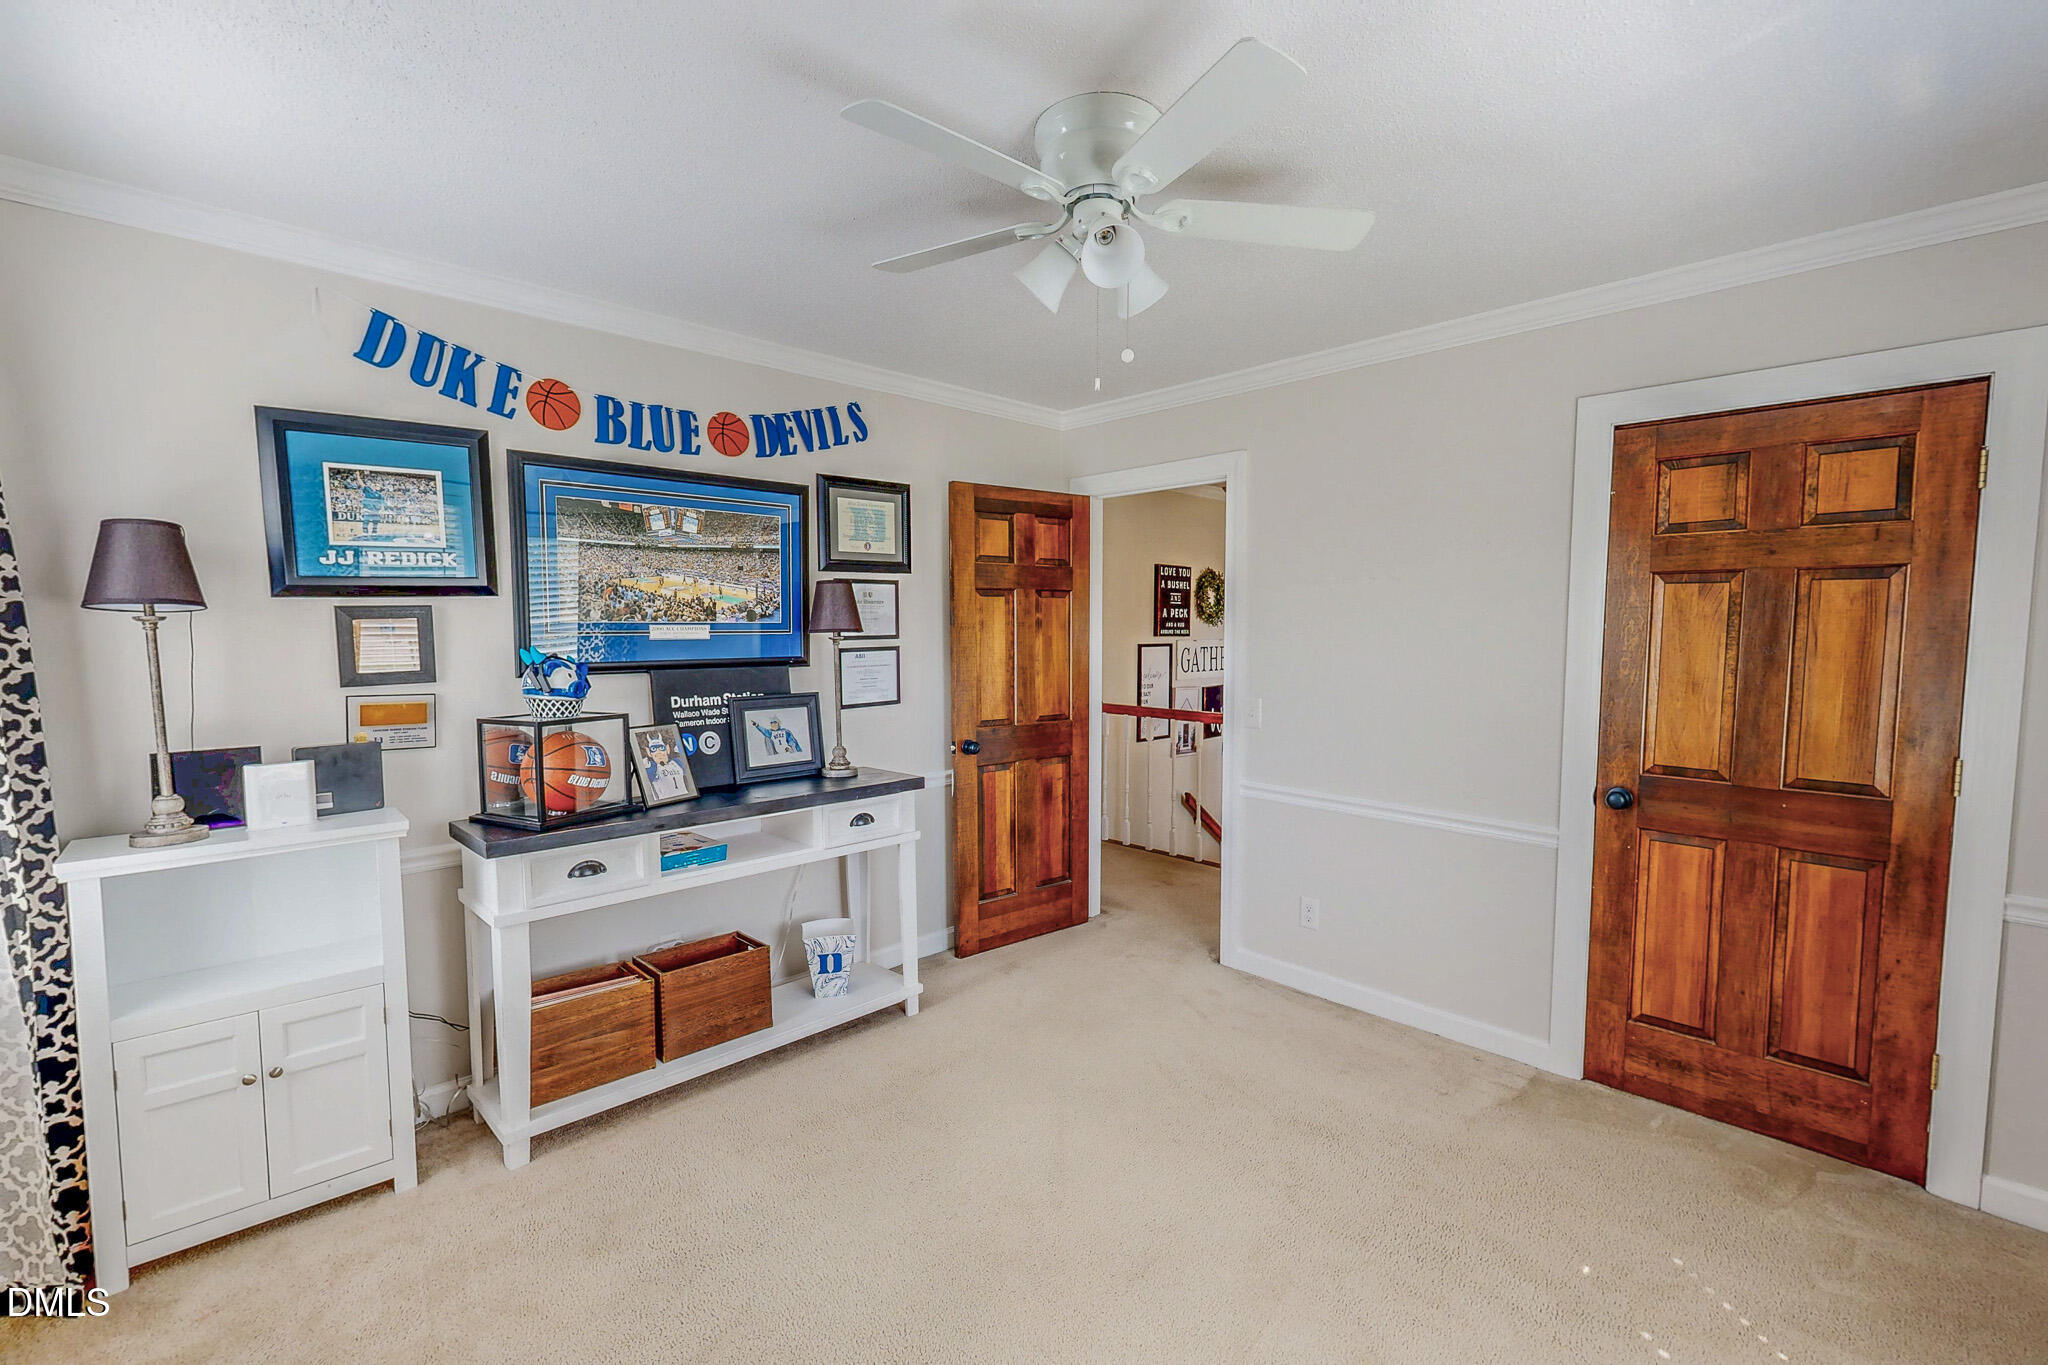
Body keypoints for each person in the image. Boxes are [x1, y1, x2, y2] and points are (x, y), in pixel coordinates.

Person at [639, 731, 693, 801]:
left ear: (667, 748)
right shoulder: (652, 767)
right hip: (665, 803)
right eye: (653, 749)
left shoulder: (677, 762)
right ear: (649, 752)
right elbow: (648, 776)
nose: (658, 752)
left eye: (661, 748)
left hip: (685, 800)